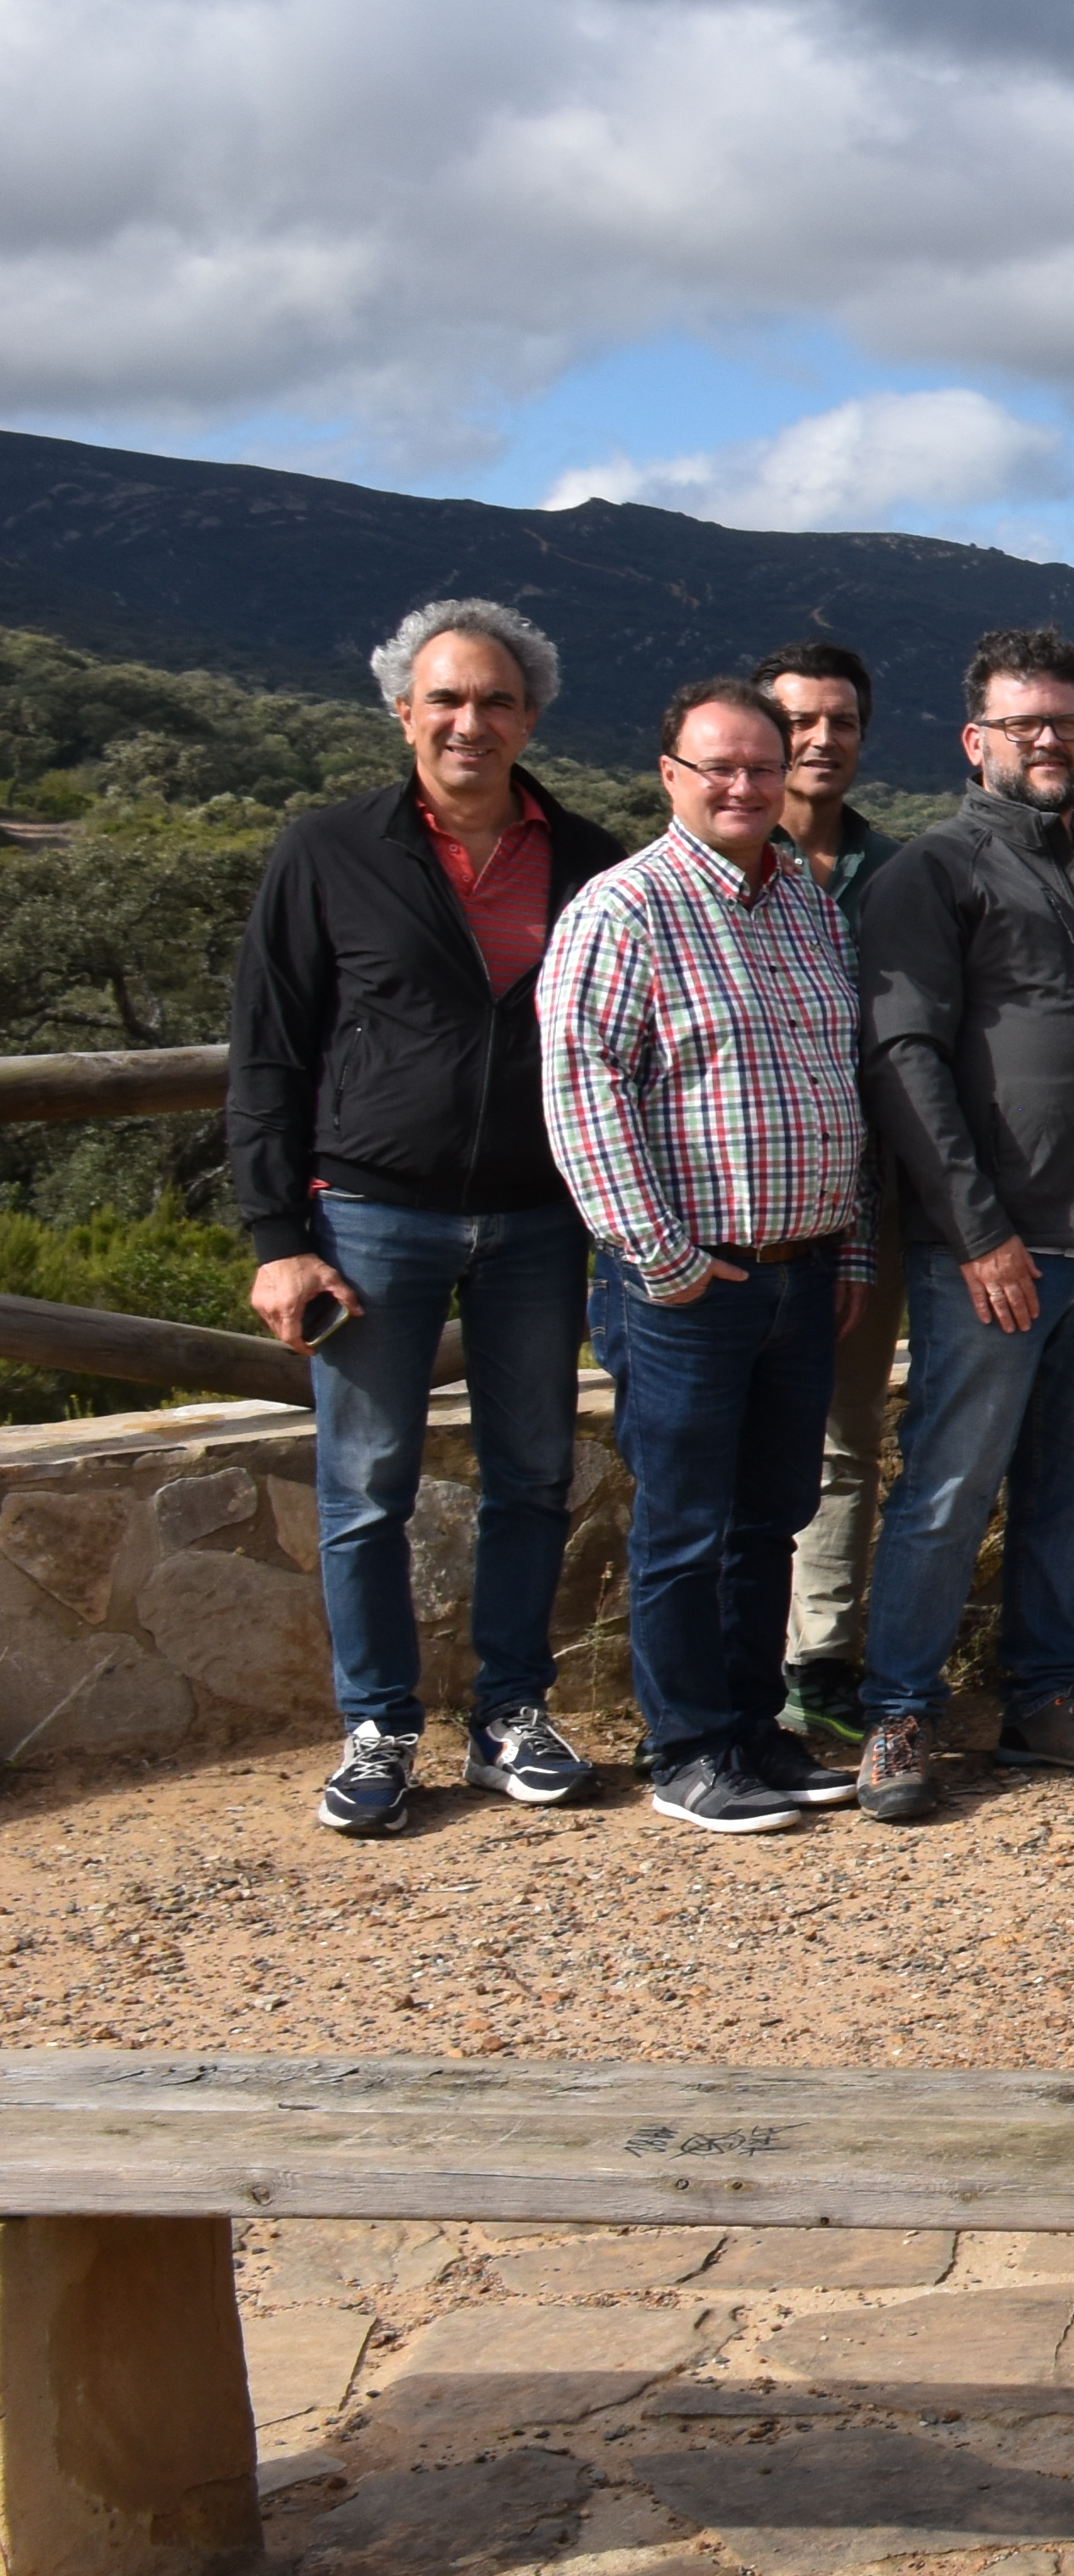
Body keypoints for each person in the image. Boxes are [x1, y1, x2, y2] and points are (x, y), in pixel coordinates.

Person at [228, 597, 625, 1838]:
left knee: (531, 1475)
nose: (471, 721)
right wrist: (275, 1238)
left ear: (530, 718)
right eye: (446, 699)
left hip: (540, 1219)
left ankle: (511, 1713)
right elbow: (268, 1056)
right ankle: (380, 1729)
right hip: (368, 1217)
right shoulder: (326, 851)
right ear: (403, 713)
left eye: (495, 700)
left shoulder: (589, 859)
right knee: (364, 1486)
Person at [848, 627, 1074, 1823]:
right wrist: (977, 1233)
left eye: (1067, 721)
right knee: (951, 1486)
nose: (1050, 741)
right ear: (977, 743)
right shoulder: (936, 872)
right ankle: (899, 1715)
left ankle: (1044, 1703)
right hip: (997, 1253)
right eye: (1025, 726)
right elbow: (904, 1057)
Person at [536, 679, 876, 1836]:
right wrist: (663, 1259)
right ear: (670, 774)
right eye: (718, 767)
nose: (743, 787)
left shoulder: (810, 906)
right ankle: (685, 1752)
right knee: (683, 1526)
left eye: (762, 768)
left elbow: (845, 1087)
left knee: (768, 1516)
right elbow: (584, 1096)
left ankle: (751, 1732)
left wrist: (853, 1249)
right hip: (693, 1282)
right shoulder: (620, 911)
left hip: (802, 1265)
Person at [760, 640, 910, 1766]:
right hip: (733, 1215)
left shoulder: (895, 879)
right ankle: (732, 1670)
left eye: (839, 722)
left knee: (847, 1442)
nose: (819, 741)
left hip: (866, 1209)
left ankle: (817, 1665)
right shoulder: (704, 869)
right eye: (797, 721)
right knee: (733, 1447)